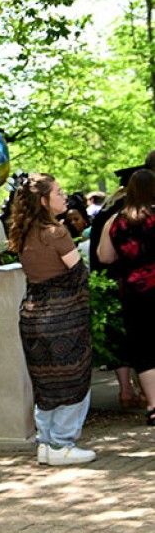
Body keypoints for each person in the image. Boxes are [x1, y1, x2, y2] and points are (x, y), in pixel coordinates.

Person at [8, 174, 95, 465]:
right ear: (43, 200)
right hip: (62, 317)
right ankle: (62, 444)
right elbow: (77, 273)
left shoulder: (23, 232)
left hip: (32, 315)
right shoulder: (55, 232)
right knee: (73, 378)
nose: (64, 195)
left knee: (45, 381)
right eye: (58, 192)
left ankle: (45, 443)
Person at [97, 169, 155, 426]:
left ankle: (154, 405)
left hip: (134, 292)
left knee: (143, 348)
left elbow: (104, 257)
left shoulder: (115, 220)